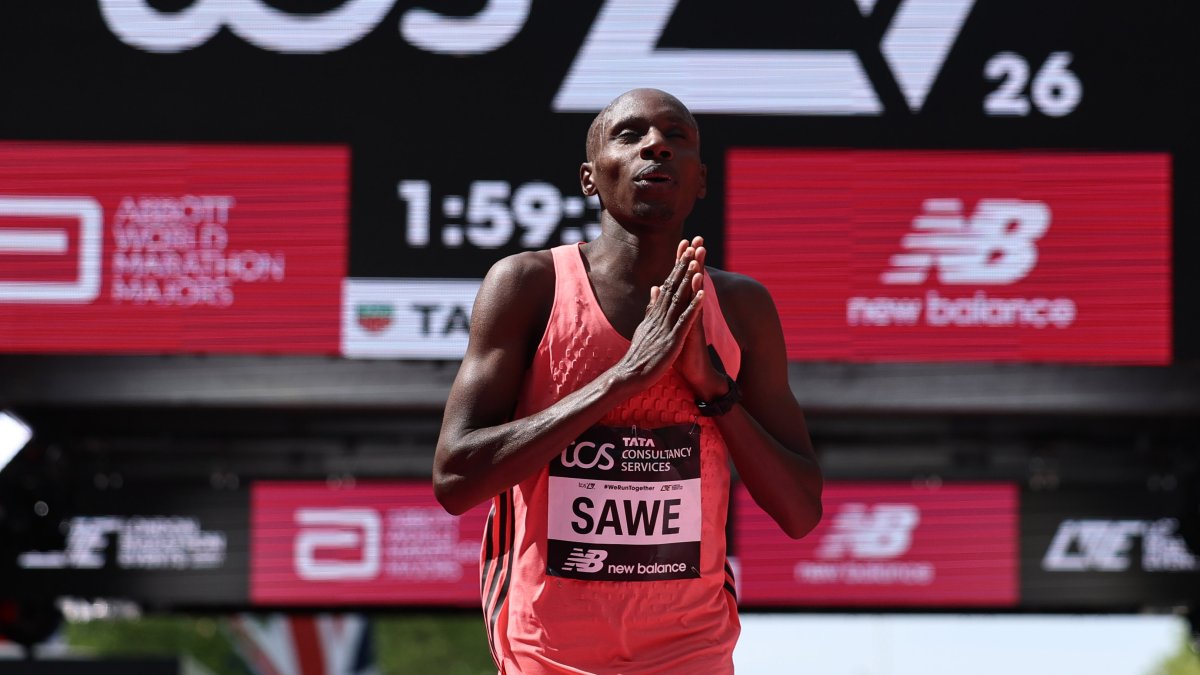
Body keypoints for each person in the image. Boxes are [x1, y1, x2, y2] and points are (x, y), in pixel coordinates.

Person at [433, 88, 822, 674]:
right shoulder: (528, 286)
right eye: (630, 134)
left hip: (691, 647)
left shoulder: (741, 308)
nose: (656, 146)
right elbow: (455, 478)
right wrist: (623, 378)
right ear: (590, 178)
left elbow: (800, 513)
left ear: (701, 181)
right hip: (548, 647)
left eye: (676, 137)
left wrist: (717, 392)